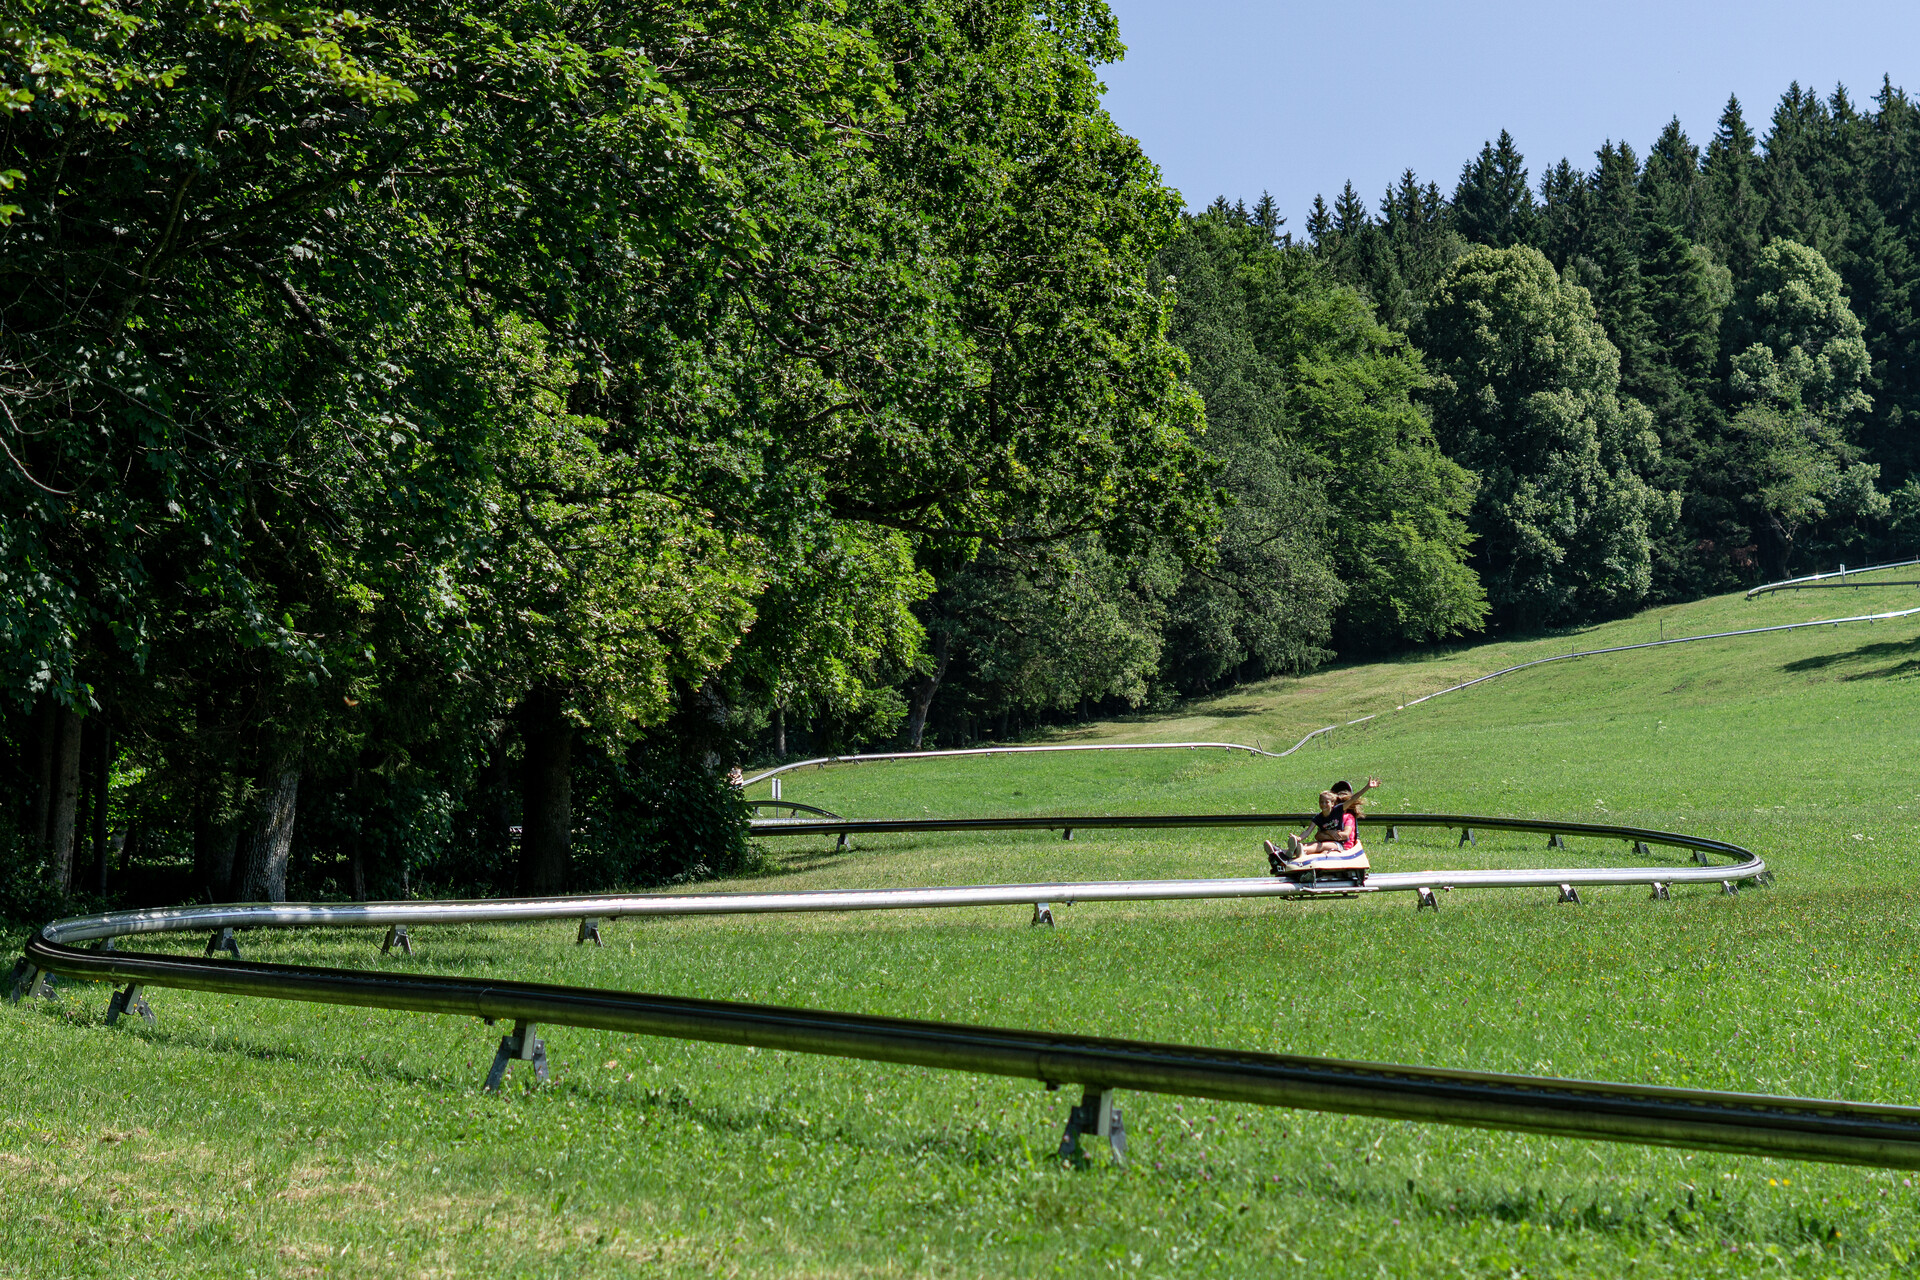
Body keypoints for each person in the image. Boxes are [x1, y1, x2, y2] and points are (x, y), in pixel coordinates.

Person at [1265, 778, 1380, 875]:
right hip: (1331, 841)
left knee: (1319, 846)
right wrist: (1299, 838)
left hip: (1340, 845)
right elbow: (1310, 832)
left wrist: (1367, 787)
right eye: (1321, 802)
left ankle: (1291, 855)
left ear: (1333, 803)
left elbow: (1353, 801)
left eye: (1326, 802)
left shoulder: (1341, 812)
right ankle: (1284, 853)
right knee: (1309, 844)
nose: (1323, 805)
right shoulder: (1319, 817)